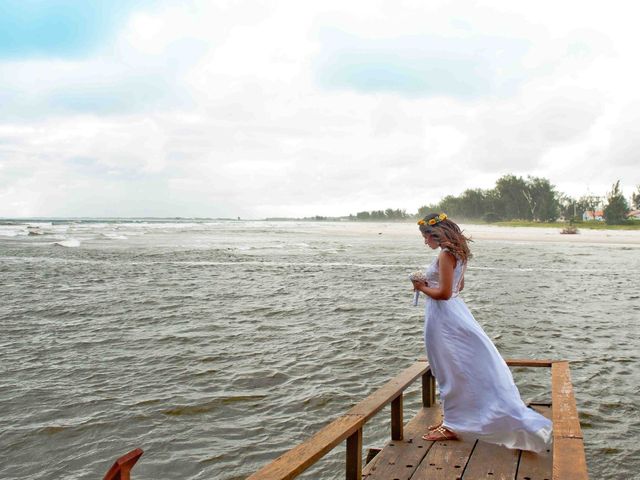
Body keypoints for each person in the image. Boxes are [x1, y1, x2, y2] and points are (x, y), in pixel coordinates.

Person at [411, 212, 552, 452]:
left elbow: (444, 294)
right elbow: (458, 287)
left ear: (436, 233)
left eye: (426, 237)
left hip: (443, 318)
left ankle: (452, 424)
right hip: (456, 312)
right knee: (456, 368)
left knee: (450, 370)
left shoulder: (446, 255)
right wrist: (432, 285)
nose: (425, 242)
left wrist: (421, 286)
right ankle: (457, 420)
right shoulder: (460, 253)